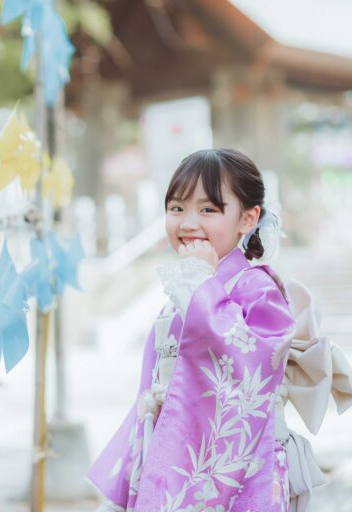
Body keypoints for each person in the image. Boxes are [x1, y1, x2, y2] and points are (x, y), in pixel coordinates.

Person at [88, 148, 308, 511]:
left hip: (245, 468)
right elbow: (151, 389)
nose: (188, 223)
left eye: (207, 210)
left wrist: (201, 287)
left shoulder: (257, 289)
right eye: (176, 208)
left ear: (248, 218)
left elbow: (253, 365)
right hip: (173, 453)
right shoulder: (181, 293)